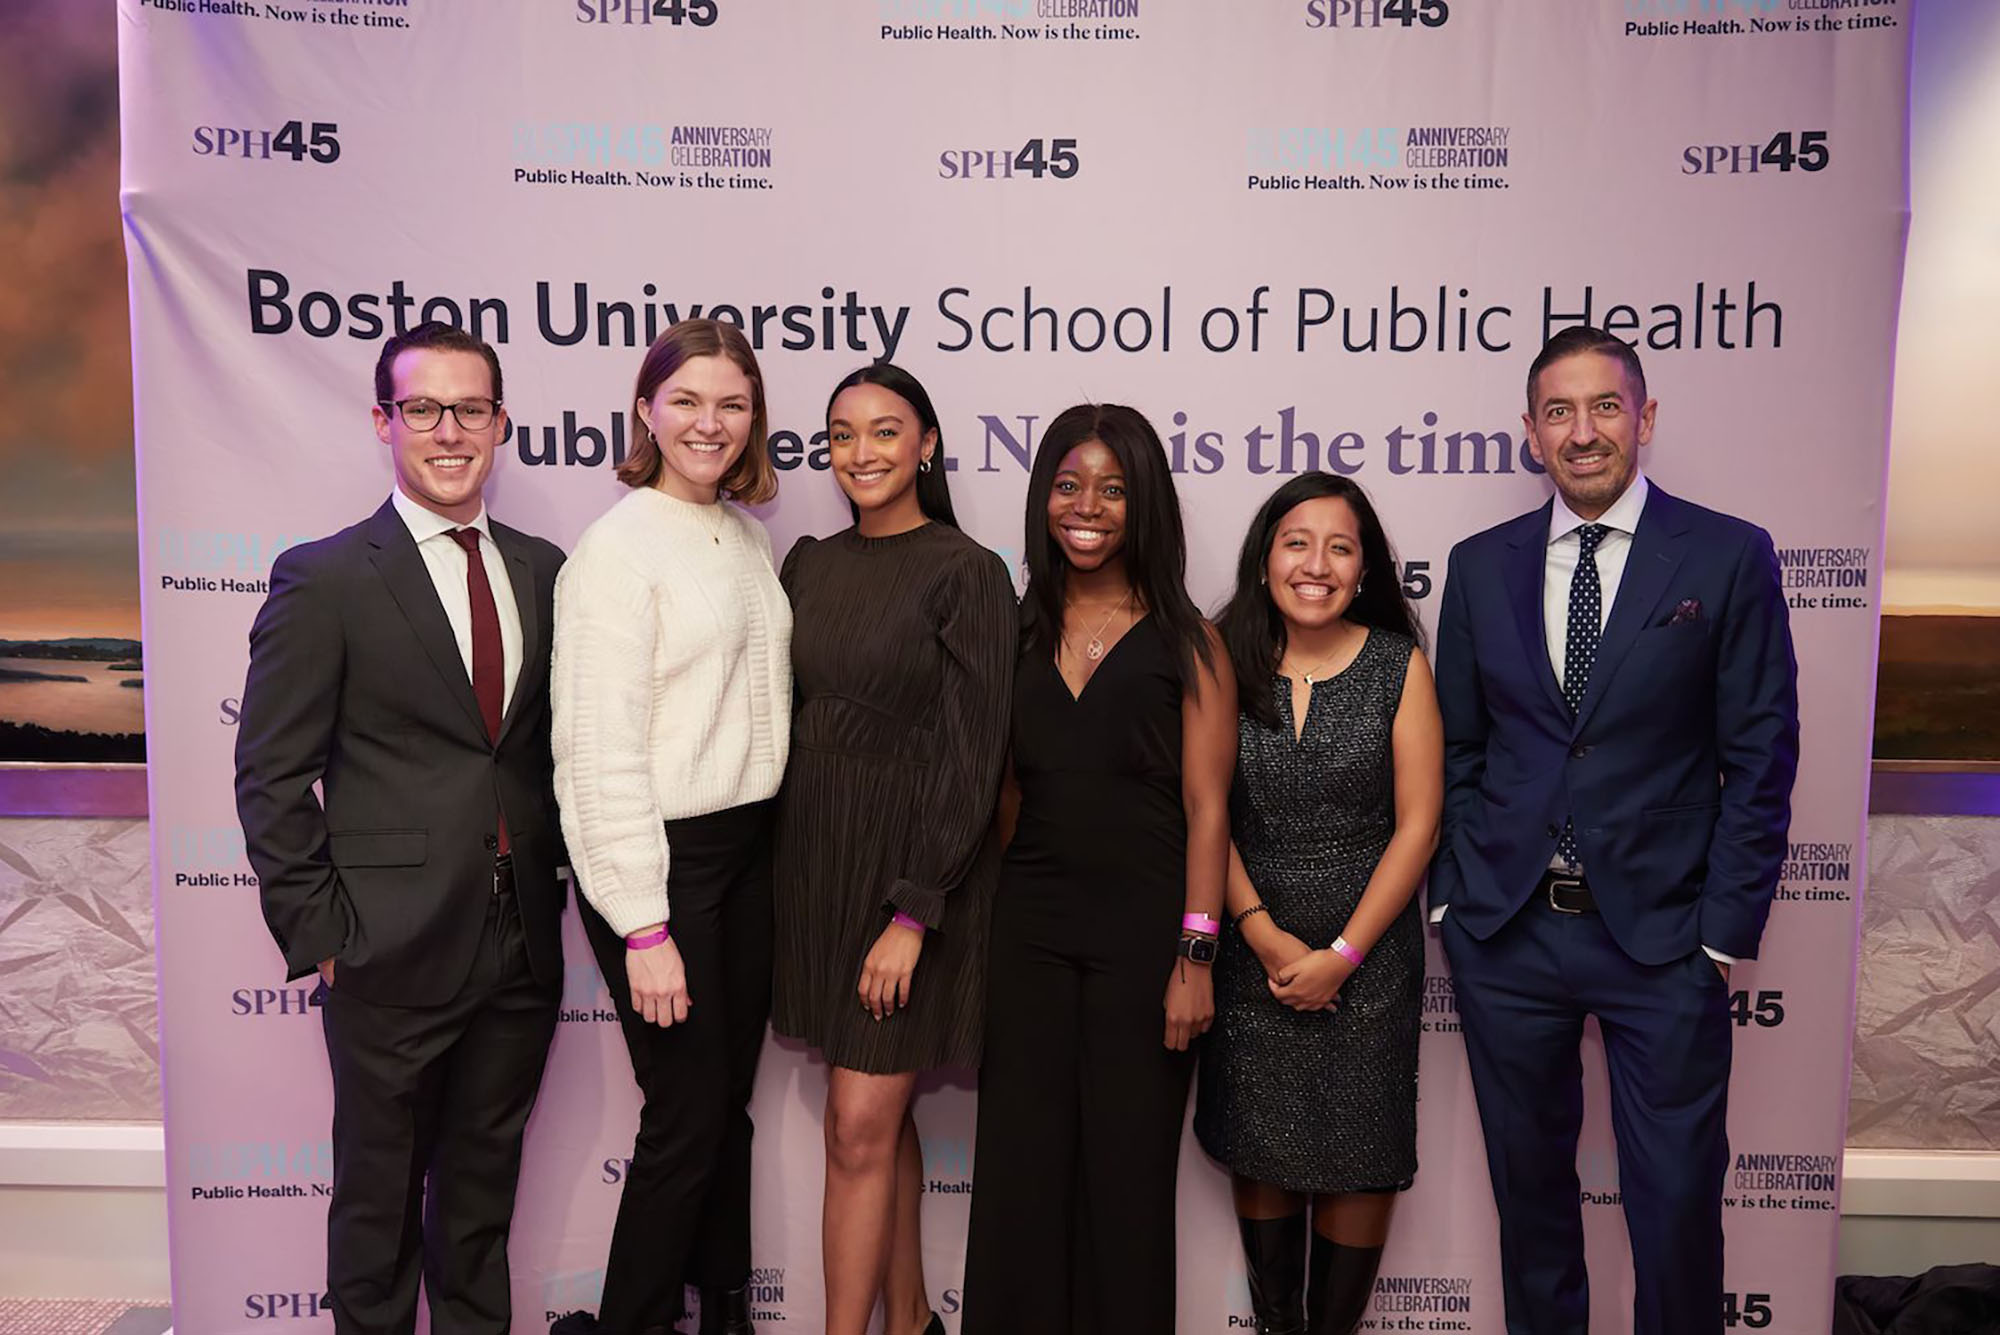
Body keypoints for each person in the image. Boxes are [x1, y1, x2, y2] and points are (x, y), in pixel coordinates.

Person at [1430, 326, 1800, 1335]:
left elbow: (1758, 755)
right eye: (1557, 411)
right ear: (1527, 432)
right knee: (1532, 1206)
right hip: (1506, 935)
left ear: (1643, 419)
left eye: (1602, 407)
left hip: (1664, 941)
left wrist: (1721, 930)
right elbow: (1458, 747)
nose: (1580, 432)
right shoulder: (1478, 567)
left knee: (1675, 1207)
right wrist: (1453, 896)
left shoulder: (1725, 557)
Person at [234, 321, 567, 1335]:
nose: (449, 431)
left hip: (519, 951)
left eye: (471, 409)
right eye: (424, 409)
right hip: (385, 952)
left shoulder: (544, 569)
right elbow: (269, 773)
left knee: (477, 1212)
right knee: (377, 1215)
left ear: (501, 423)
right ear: (384, 421)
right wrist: (325, 936)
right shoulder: (325, 576)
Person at [961, 403, 1237, 1335]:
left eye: (1114, 489)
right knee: (1018, 1175)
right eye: (1070, 486)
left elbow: (1209, 810)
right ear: (1043, 498)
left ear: (1145, 503)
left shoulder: (1189, 640)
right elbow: (1001, 799)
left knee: (1125, 1182)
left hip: (1146, 940)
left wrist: (1195, 956)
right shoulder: (1012, 628)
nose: (1089, 507)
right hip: (1029, 934)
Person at [548, 319, 791, 1335]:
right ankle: (631, 1323)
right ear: (646, 409)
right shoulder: (614, 552)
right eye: (685, 400)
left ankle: (725, 1313)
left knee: (721, 1108)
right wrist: (642, 924)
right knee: (685, 1118)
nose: (709, 423)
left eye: (730, 403)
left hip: (749, 852)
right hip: (663, 867)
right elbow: (597, 757)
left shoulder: (745, 535)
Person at [771, 363, 1015, 1335]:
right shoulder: (806, 564)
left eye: (884, 431)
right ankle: (909, 1320)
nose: (860, 452)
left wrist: (913, 911)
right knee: (877, 1121)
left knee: (855, 1129)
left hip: (912, 884)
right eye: (841, 433)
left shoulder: (968, 572)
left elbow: (974, 758)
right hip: (814, 874)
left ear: (925, 445)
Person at [1197, 473, 1443, 1335]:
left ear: (1364, 565)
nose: (1317, 564)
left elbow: (1417, 828)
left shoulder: (1396, 665)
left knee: (1360, 1160)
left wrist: (1341, 954)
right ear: (1266, 557)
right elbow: (1204, 810)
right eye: (1298, 542)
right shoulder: (1218, 657)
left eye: (1341, 547)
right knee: (1262, 1151)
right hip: (1250, 961)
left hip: (1368, 969)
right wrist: (1263, 938)